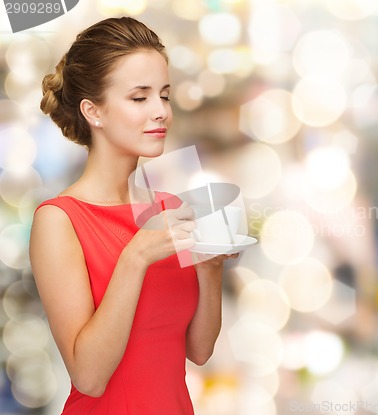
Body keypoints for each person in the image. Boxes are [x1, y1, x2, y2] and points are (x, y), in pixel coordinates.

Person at [29, 16, 237, 414]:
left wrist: (211, 270)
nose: (160, 111)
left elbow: (199, 350)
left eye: (165, 94)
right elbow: (89, 377)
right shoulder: (59, 221)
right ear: (94, 111)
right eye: (140, 98)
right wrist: (135, 257)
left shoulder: (171, 209)